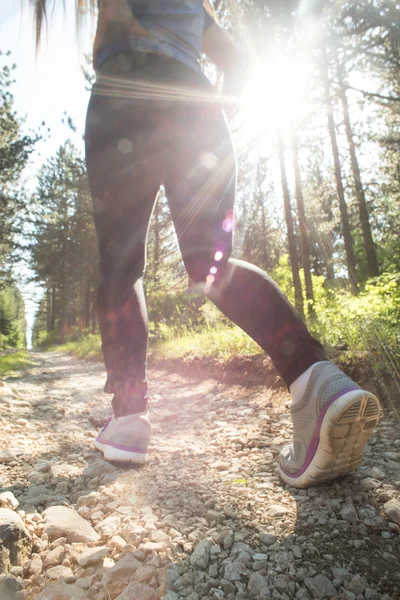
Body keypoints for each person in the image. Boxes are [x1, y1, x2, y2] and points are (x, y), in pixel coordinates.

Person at [32, 0, 381, 489]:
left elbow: (113, 18)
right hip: (197, 105)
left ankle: (129, 418)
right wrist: (210, 109)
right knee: (211, 263)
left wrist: (123, 51)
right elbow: (238, 64)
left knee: (122, 262)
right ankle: (316, 378)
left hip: (125, 91)